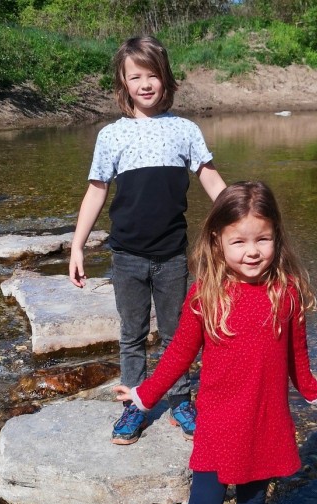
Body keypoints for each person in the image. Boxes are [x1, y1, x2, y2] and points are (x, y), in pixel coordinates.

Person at [114, 181, 317, 504]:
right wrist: (144, 395)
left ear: (276, 236)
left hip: (266, 419)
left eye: (262, 239)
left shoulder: (286, 292)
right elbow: (178, 355)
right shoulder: (205, 295)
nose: (252, 251)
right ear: (217, 240)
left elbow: (297, 353)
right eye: (239, 241)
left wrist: (312, 389)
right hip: (220, 421)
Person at [68, 36, 227, 445]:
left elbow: (208, 176)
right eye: (135, 76)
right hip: (127, 257)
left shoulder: (184, 130)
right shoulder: (112, 136)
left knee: (179, 335)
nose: (145, 83)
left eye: (152, 75)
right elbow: (96, 190)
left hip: (173, 255)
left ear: (165, 79)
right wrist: (77, 245)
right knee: (132, 335)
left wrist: (238, 219)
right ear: (123, 84)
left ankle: (180, 402)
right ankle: (133, 407)